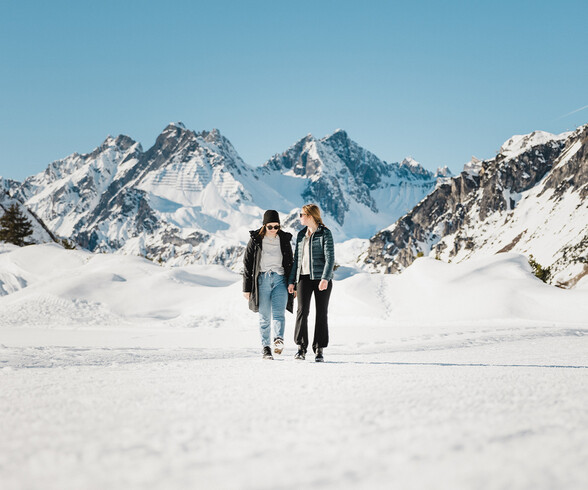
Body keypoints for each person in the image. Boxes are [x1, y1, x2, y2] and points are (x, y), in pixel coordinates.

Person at [243, 210, 294, 360]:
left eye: (276, 226)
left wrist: (292, 283)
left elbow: (290, 262)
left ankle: (278, 340)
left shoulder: (284, 239)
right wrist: (246, 287)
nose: (273, 230)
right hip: (262, 280)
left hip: (280, 280)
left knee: (279, 314)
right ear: (264, 225)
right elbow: (247, 263)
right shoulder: (256, 239)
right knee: (264, 316)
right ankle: (266, 347)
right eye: (270, 226)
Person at [288, 204, 334, 362]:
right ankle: (301, 348)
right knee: (302, 311)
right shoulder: (301, 235)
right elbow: (296, 261)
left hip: (321, 279)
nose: (300, 217)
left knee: (321, 313)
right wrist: (292, 281)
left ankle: (319, 349)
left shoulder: (325, 233)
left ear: (311, 216)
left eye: (302, 214)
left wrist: (325, 278)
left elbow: (330, 258)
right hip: (303, 278)